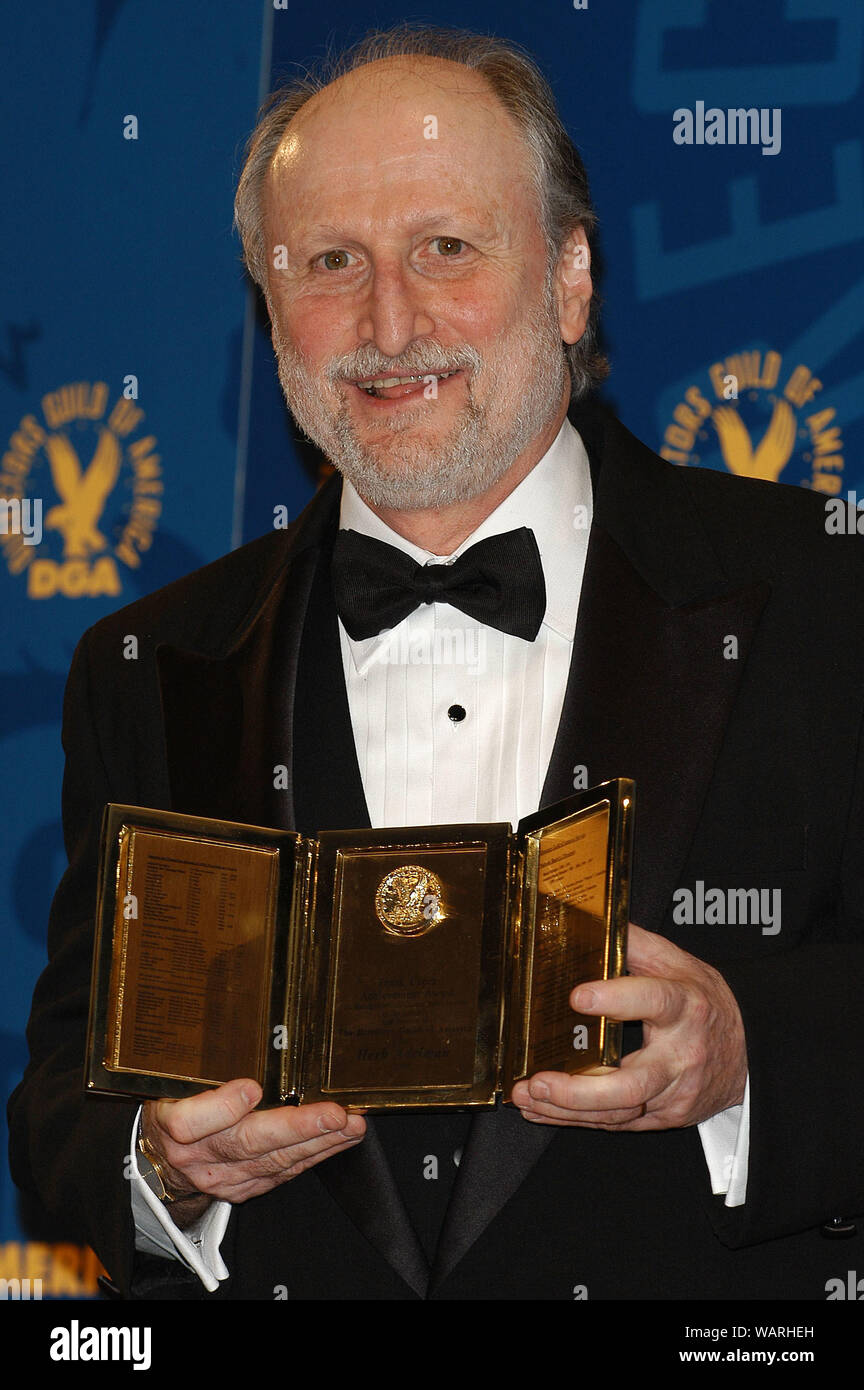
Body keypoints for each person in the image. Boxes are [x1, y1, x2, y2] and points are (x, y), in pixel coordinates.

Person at [9, 24, 864, 1301]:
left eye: (446, 249)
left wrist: (747, 1060)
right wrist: (165, 1164)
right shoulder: (146, 664)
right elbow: (71, 1103)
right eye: (331, 262)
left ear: (571, 276)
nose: (388, 320)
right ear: (267, 299)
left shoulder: (824, 600)